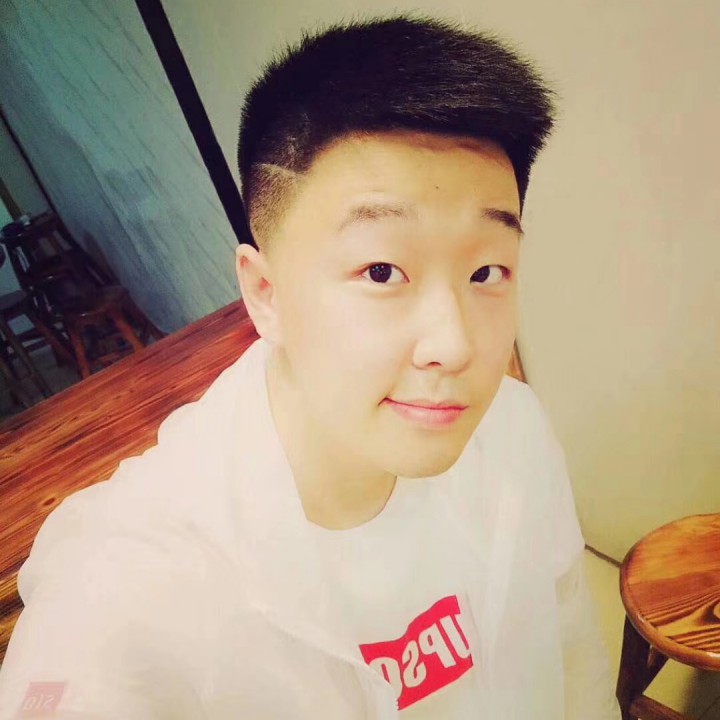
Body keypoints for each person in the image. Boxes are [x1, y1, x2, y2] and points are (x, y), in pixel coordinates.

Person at [0, 12, 621, 719]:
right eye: (382, 271)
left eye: (486, 272)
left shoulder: (512, 429)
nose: (455, 345)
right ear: (265, 294)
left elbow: (576, 659)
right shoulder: (125, 593)